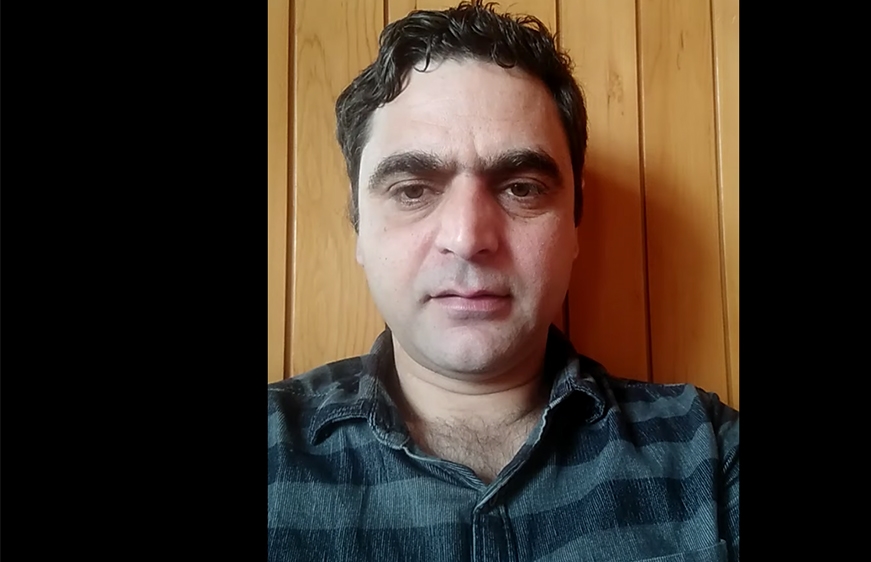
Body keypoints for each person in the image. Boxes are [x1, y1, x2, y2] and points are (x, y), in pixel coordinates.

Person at [267, 2, 739, 560]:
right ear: (358, 229)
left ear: (574, 226)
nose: (468, 238)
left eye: (521, 188)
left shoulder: (707, 449)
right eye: (413, 190)